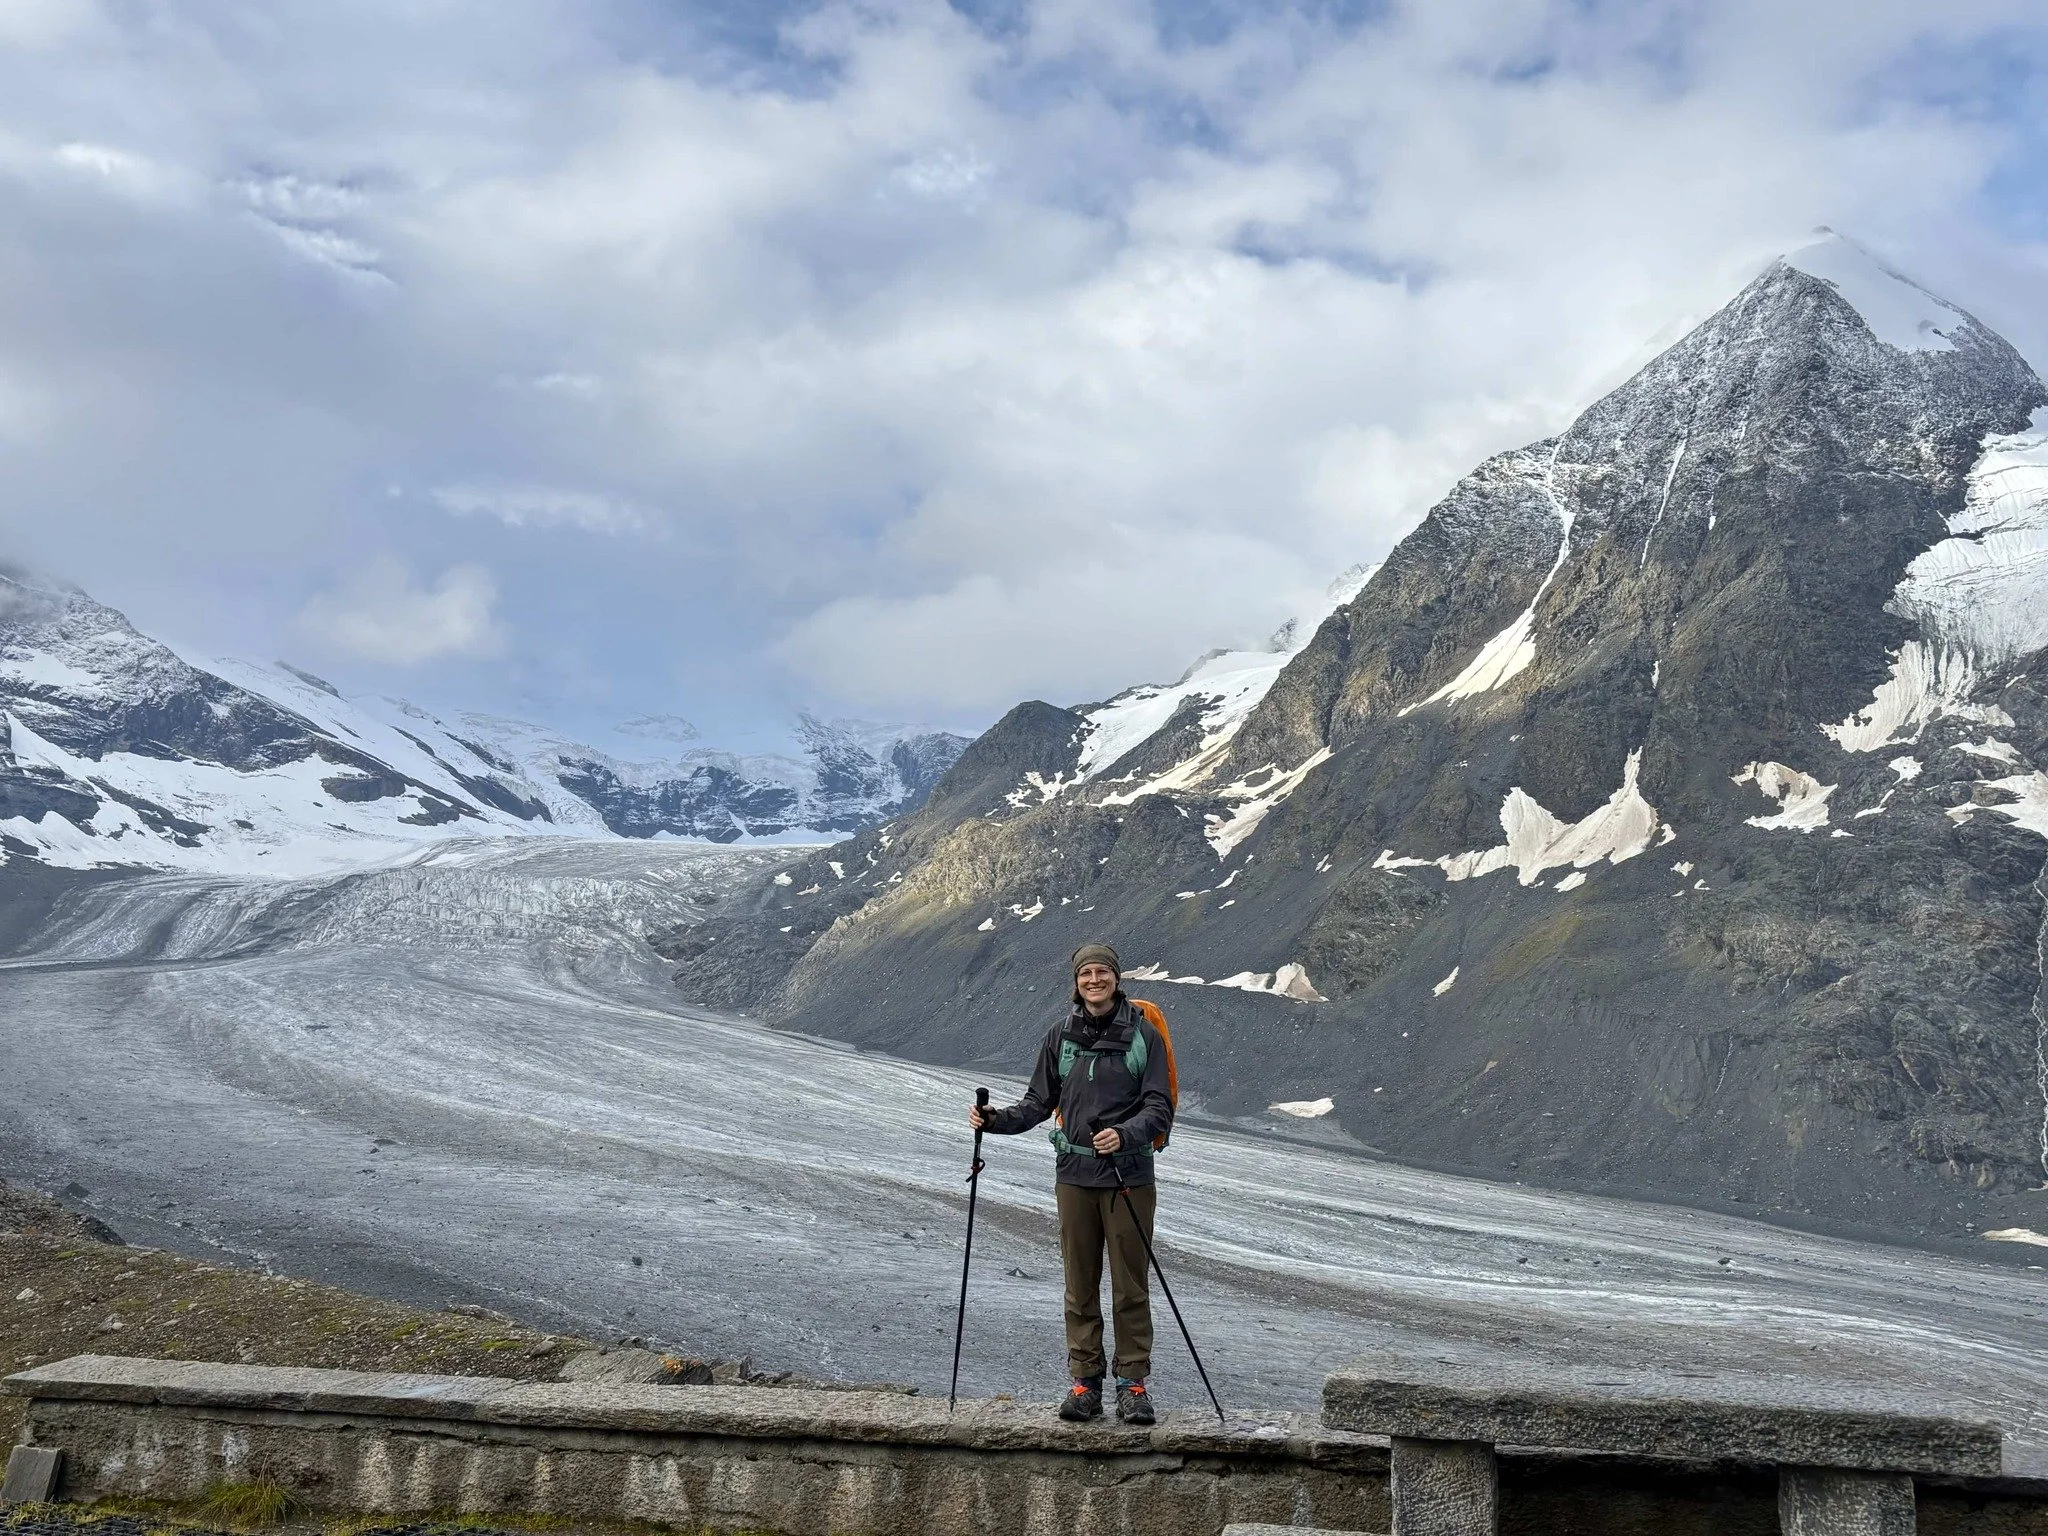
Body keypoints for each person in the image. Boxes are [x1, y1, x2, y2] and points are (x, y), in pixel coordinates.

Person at [970, 942, 1175, 1424]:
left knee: (1130, 1285)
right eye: (1086, 973)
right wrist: (994, 1120)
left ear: (1117, 979)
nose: (1094, 980)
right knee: (1079, 1284)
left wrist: (1126, 1135)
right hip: (1075, 1176)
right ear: (1077, 981)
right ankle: (1086, 1383)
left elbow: (1159, 1107)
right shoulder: (1060, 1035)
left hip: (1129, 1175)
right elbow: (1038, 1102)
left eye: (1103, 972)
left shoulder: (1144, 1035)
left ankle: (1133, 1384)